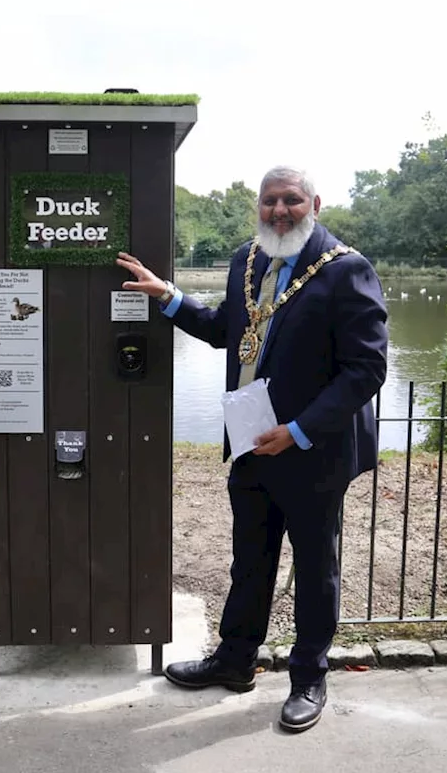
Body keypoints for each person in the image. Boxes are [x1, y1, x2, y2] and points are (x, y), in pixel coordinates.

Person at [116, 165, 388, 733]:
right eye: (270, 201)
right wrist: (168, 296)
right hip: (249, 445)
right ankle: (235, 661)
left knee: (315, 568)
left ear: (315, 203)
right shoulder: (248, 261)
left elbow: (366, 369)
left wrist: (298, 430)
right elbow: (226, 329)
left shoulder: (346, 270)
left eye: (291, 200)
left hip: (312, 451)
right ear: (257, 207)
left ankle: (309, 677)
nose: (280, 210)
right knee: (251, 558)